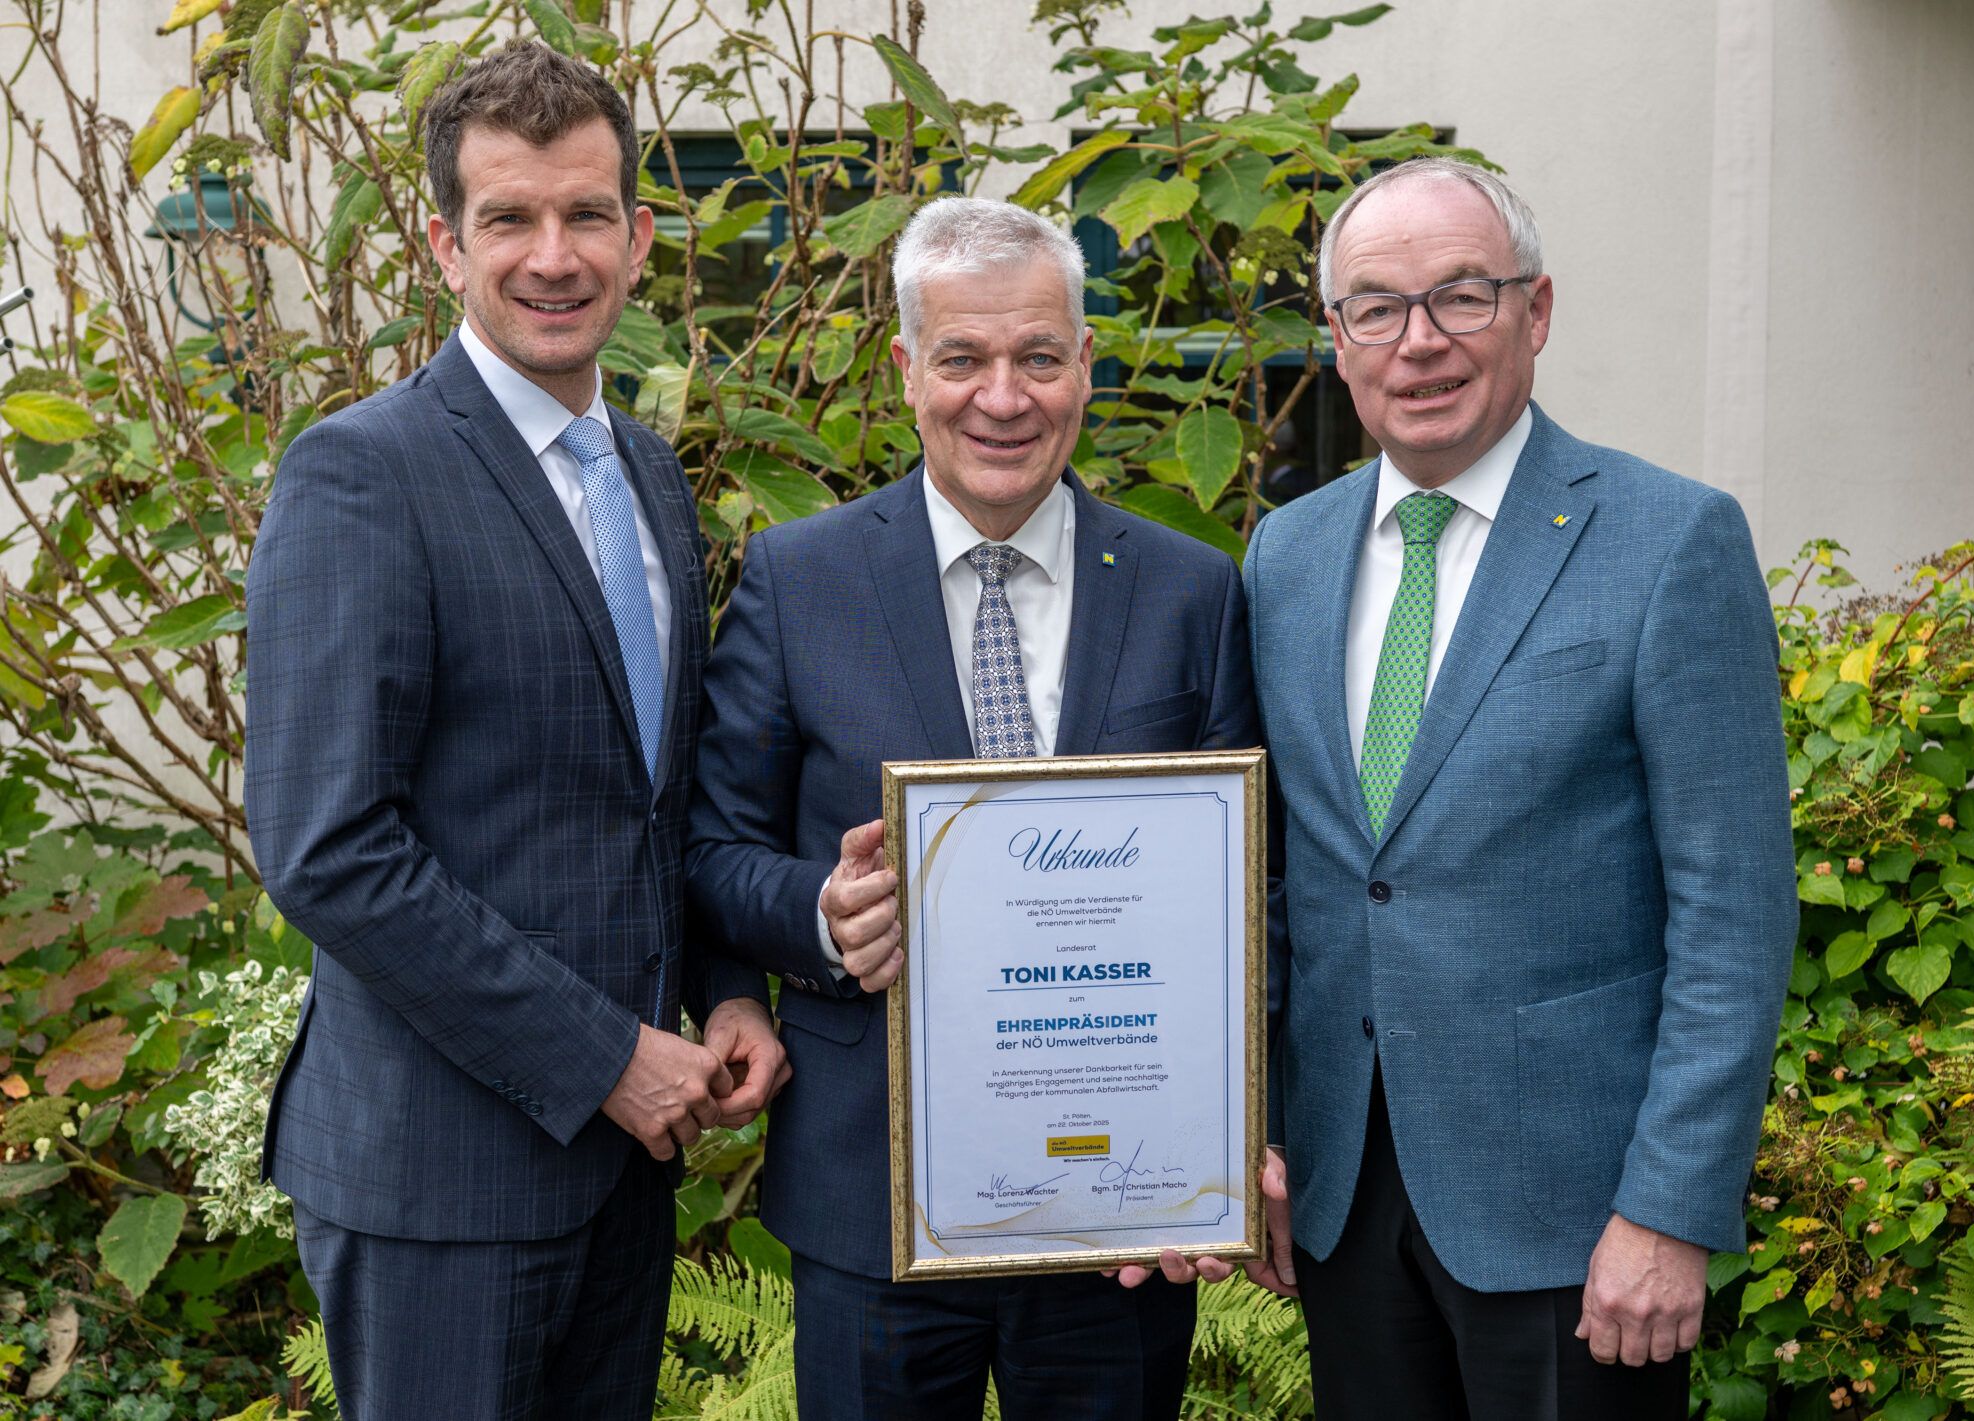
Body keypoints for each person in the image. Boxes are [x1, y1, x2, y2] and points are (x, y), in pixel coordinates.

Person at [245, 41, 787, 1421]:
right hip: (441, 1182)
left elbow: (656, 804)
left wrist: (726, 991)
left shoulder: (652, 476)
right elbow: (327, 847)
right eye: (510, 219)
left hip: (622, 1172)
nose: (555, 255)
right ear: (444, 244)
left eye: (587, 214)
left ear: (639, 234)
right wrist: (604, 1054)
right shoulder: (364, 474)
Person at [1236, 157, 1797, 1416]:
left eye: (1461, 297)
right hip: (1340, 1200)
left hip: (1577, 1220)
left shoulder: (1668, 541)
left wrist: (1668, 1205)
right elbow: (1277, 880)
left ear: (1534, 312)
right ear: (1334, 341)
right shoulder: (1286, 551)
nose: (1417, 342)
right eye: (1375, 307)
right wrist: (1252, 1136)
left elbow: (1733, 913)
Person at [684, 195, 1257, 1420]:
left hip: (1124, 1202)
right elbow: (710, 845)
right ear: (906, 371)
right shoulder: (800, 580)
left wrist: (1233, 1132)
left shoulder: (1191, 591)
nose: (1002, 395)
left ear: (1083, 366)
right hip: (870, 1195)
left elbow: (1250, 893)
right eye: (963, 358)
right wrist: (823, 913)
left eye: (1037, 356)